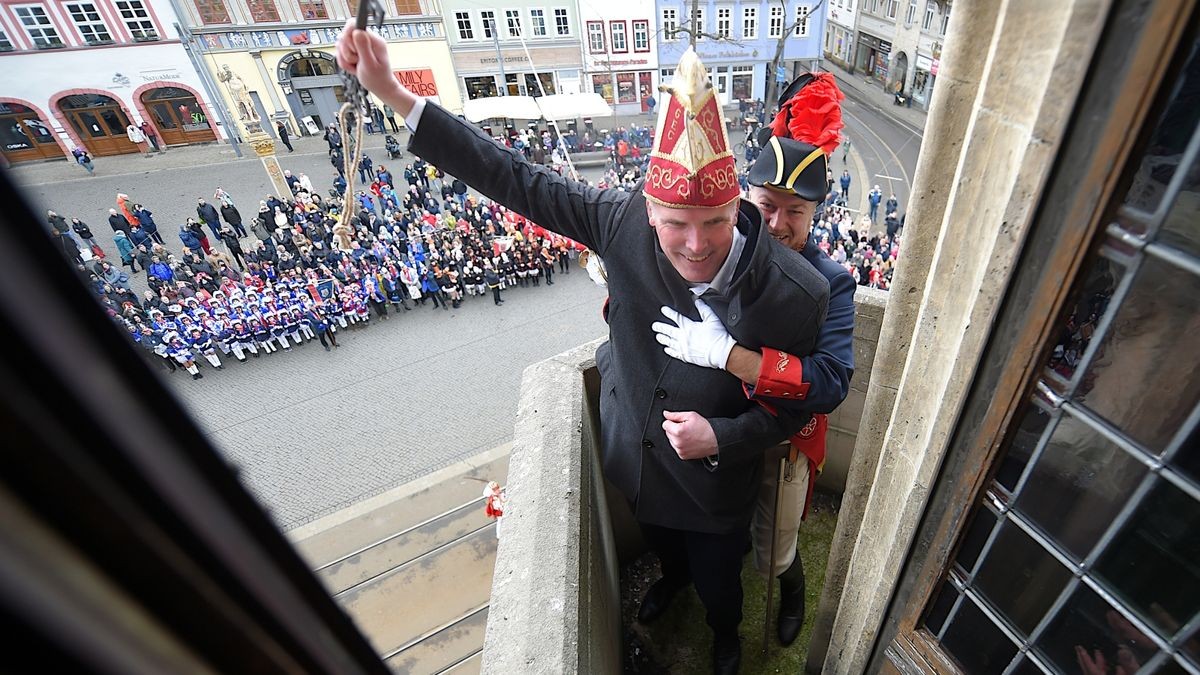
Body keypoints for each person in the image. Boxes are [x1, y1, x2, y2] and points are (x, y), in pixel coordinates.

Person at [338, 33, 828, 674]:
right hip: (636, 454)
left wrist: (723, 435)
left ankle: (724, 633)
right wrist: (394, 94)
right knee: (665, 551)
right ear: (648, 210)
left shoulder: (797, 294)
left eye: (713, 221)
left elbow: (793, 409)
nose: (696, 244)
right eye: (675, 222)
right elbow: (513, 177)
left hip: (715, 480)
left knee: (720, 582)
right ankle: (671, 582)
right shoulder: (619, 221)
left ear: (739, 205)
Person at [657, 72, 857, 647]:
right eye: (767, 206)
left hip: (782, 437)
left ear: (816, 212)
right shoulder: (723, 249)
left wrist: (729, 355)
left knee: (774, 552)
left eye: (796, 211)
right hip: (715, 421)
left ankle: (789, 587)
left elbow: (829, 382)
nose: (776, 225)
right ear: (749, 197)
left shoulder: (831, 283)